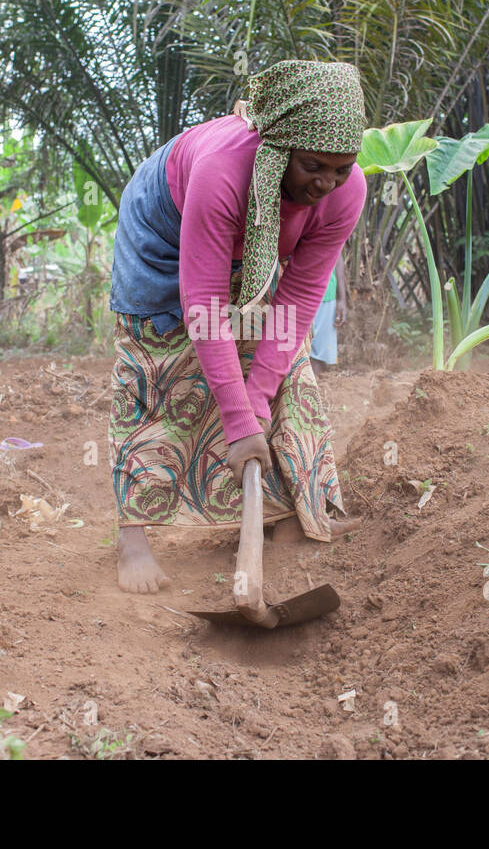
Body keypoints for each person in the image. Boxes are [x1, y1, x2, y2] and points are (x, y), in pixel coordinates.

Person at [107, 60, 366, 594]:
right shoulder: (225, 168)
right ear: (279, 150)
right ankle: (133, 538)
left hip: (244, 250)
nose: (326, 183)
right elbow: (200, 302)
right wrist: (236, 419)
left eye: (342, 168)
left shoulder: (346, 191)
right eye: (314, 165)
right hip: (161, 239)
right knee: (160, 368)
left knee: (288, 368)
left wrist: (257, 403)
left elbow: (296, 301)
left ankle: (295, 512)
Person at [309, 253, 347, 374]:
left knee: (318, 355)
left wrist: (342, 299)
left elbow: (337, 253)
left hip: (325, 295)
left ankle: (313, 390)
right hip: (291, 292)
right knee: (288, 351)